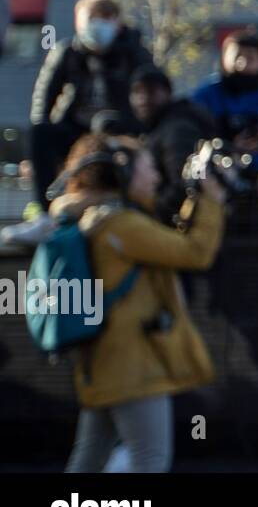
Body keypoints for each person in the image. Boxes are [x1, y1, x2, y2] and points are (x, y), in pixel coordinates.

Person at [52, 133, 226, 472]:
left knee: (89, 457)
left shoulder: (92, 218)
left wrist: (195, 200)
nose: (157, 177)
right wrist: (211, 201)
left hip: (101, 359)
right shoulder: (121, 224)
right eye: (148, 168)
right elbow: (195, 252)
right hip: (134, 363)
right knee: (150, 458)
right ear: (123, 174)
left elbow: (167, 242)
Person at [3, 0, 152, 246]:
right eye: (91, 18)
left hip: (119, 132)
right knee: (41, 132)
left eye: (105, 18)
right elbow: (43, 101)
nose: (97, 26)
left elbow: (148, 96)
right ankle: (44, 214)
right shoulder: (67, 53)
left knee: (106, 124)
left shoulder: (134, 54)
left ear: (117, 22)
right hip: (76, 131)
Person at [129, 65, 217, 225]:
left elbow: (184, 184)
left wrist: (156, 213)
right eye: (137, 92)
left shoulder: (177, 129)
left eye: (151, 91)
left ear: (167, 93)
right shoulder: (158, 126)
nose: (143, 99)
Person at [192, 30, 258, 177]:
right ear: (224, 58)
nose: (242, 63)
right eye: (237, 56)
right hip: (217, 171)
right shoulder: (205, 95)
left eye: (250, 58)